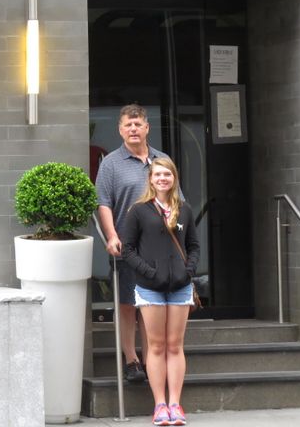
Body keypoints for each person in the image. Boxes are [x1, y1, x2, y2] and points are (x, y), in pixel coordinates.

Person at [95, 104, 173, 382]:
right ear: (120, 129)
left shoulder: (161, 160)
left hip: (159, 249)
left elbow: (177, 200)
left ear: (147, 128)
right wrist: (111, 236)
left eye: (137, 124)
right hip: (127, 247)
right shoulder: (111, 164)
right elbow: (103, 204)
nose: (133, 129)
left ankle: (153, 356)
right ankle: (131, 360)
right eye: (128, 125)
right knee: (128, 304)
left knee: (152, 305)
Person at [121, 157, 199, 426]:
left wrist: (188, 272)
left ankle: (176, 404)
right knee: (155, 346)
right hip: (150, 288)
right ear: (151, 179)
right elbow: (127, 249)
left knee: (175, 346)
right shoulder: (139, 210)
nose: (162, 179)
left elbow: (194, 246)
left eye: (167, 174)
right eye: (158, 175)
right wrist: (148, 272)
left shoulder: (185, 210)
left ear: (174, 178)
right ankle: (159, 406)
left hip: (180, 287)